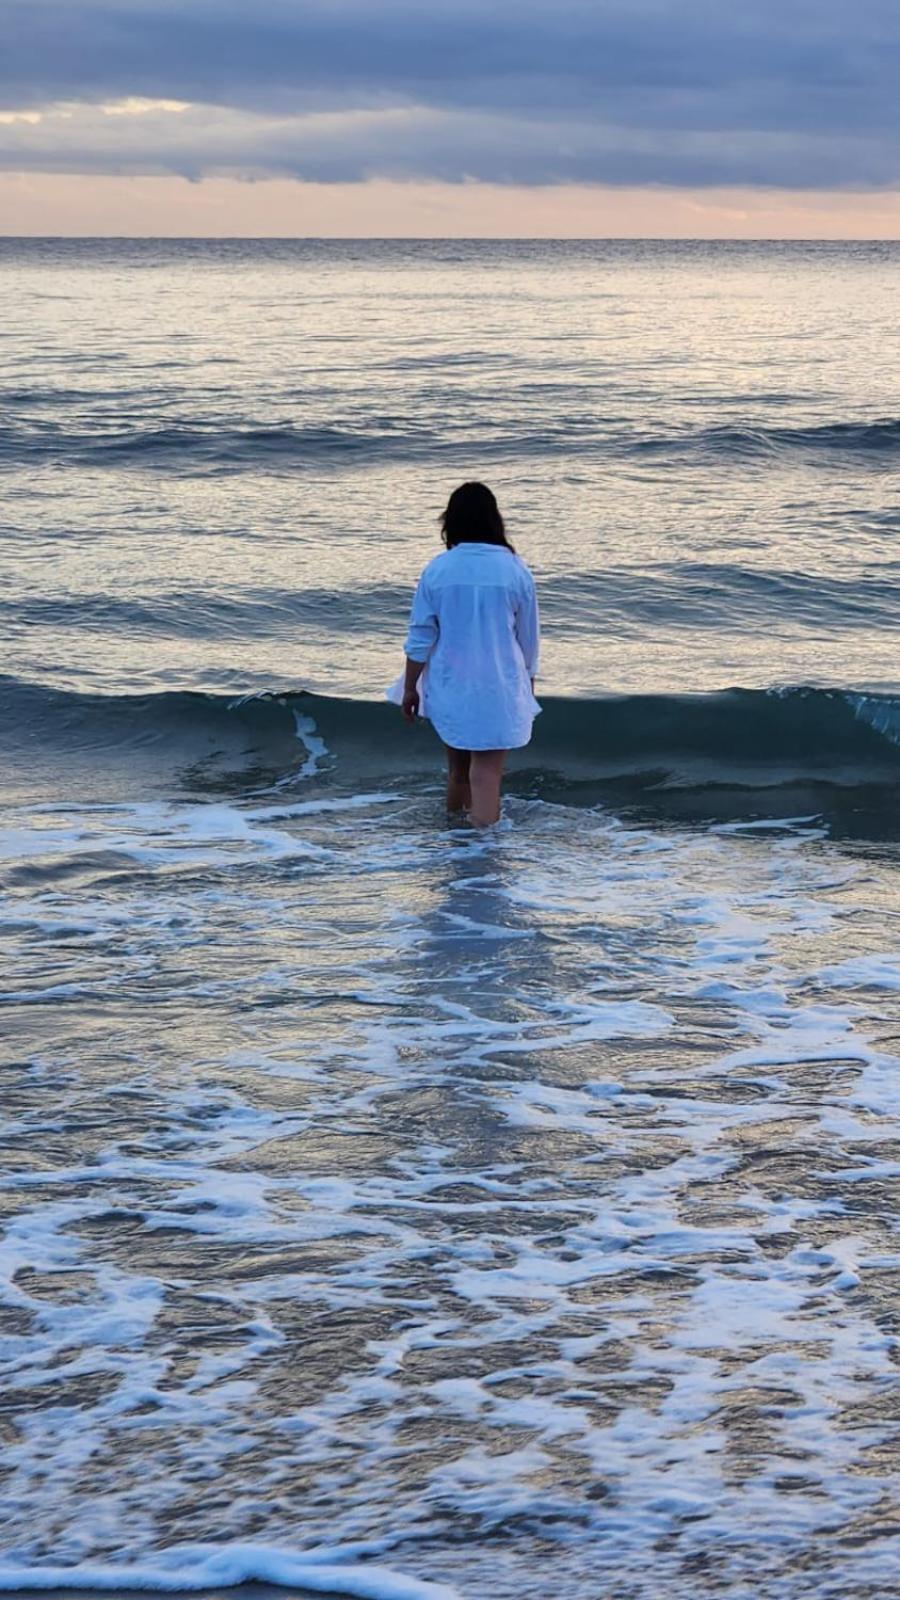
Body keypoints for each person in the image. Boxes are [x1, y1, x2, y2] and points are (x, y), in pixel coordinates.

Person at [389, 482, 541, 827]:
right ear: (494, 520)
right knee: (486, 775)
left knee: (458, 771)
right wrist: (528, 683)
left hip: (450, 681)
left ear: (451, 522)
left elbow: (420, 637)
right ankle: (480, 860)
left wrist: (411, 687)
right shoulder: (515, 569)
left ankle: (455, 847)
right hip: (498, 683)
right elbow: (528, 639)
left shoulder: (438, 569)